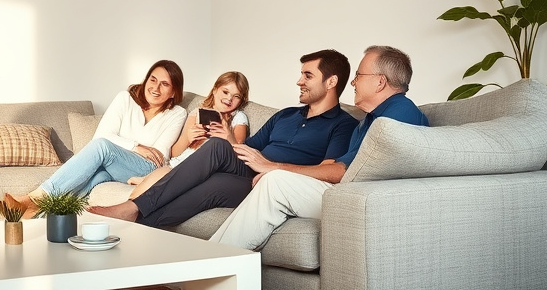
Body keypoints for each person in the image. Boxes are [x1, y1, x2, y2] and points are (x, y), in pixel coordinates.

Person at [89, 49, 358, 228]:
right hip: (248, 168)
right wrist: (245, 153)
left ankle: (133, 222)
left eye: (307, 75)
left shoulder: (344, 124)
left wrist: (273, 169)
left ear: (331, 82)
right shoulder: (286, 115)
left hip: (269, 184)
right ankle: (132, 210)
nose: (299, 81)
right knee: (217, 146)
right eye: (301, 74)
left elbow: (328, 171)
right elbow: (246, 149)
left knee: (210, 187)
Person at [210, 45, 430, 250]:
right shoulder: (369, 120)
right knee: (273, 180)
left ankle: (213, 264)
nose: (353, 83)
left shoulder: (401, 111)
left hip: (364, 201)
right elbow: (340, 166)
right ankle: (212, 262)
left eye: (359, 76)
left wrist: (275, 167)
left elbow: (343, 171)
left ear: (380, 82)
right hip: (347, 193)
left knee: (275, 181)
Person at [9, 60, 188, 216]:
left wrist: (124, 149)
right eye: (153, 80)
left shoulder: (177, 114)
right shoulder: (125, 99)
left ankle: (38, 197)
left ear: (173, 92)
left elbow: (159, 154)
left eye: (164, 84)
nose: (155, 88)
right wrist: (136, 146)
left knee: (102, 147)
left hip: (147, 170)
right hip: (117, 167)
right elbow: (102, 134)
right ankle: (43, 214)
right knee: (95, 176)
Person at [127, 71, 251, 199]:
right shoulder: (197, 112)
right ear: (215, 90)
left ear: (241, 100)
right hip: (178, 163)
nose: (229, 98)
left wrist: (228, 135)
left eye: (236, 96)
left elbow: (240, 148)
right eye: (225, 92)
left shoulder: (238, 117)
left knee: (165, 176)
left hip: (199, 170)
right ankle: (133, 201)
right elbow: (174, 153)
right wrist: (188, 138)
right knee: (163, 173)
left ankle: (149, 184)